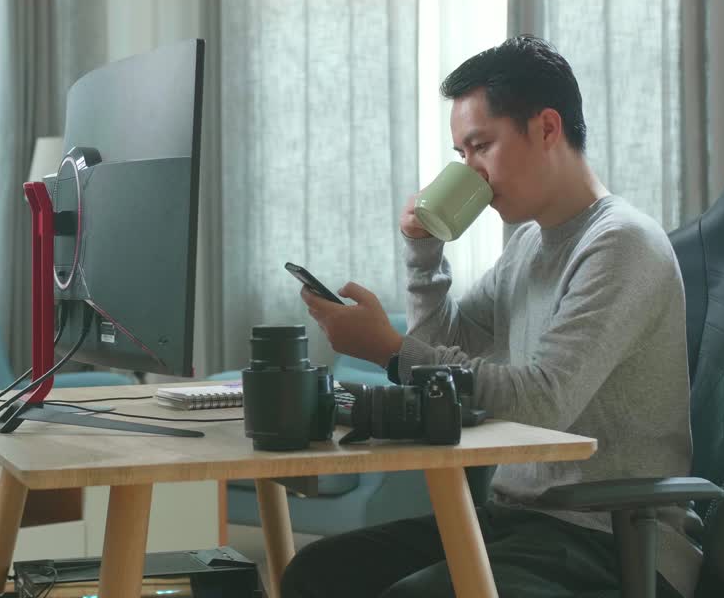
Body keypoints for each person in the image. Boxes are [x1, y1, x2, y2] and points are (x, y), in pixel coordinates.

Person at [284, 36, 698, 598]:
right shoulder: (529, 244)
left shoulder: (621, 244)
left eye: (481, 146)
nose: (471, 172)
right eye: (461, 156)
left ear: (547, 128)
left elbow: (543, 401)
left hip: (611, 539)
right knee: (318, 574)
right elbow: (444, 346)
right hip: (523, 523)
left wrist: (390, 349)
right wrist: (424, 251)